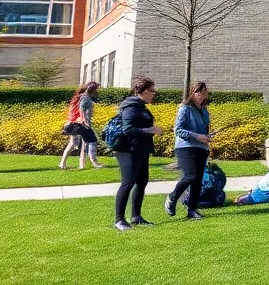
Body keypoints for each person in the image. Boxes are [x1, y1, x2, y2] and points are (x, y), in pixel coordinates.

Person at [113, 76, 165, 230]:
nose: (154, 93)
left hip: (141, 149)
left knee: (142, 182)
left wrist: (151, 130)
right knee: (127, 183)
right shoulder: (131, 107)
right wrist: (151, 130)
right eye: (152, 90)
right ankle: (119, 220)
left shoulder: (141, 107)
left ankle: (136, 216)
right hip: (129, 150)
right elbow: (127, 129)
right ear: (141, 91)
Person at [166, 80, 215, 220]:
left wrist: (207, 137)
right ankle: (172, 197)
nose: (201, 95)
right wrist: (197, 136)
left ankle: (192, 210)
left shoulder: (204, 110)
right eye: (198, 92)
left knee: (197, 180)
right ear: (192, 93)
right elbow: (179, 130)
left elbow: (203, 130)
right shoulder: (185, 108)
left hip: (201, 148)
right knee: (190, 175)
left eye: (203, 92)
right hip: (185, 147)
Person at [60, 81, 104, 170]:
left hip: (75, 123)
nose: (97, 91)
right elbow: (82, 109)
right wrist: (85, 121)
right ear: (93, 90)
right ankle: (91, 163)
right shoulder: (85, 98)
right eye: (96, 89)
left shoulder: (82, 96)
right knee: (87, 142)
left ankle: (66, 164)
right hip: (81, 124)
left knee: (74, 143)